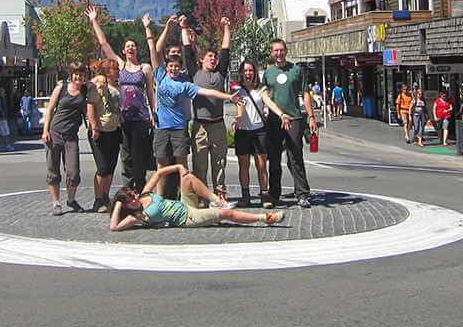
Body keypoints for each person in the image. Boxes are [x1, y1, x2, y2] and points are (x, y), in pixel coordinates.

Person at [153, 51, 241, 202]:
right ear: (166, 67)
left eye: (176, 66)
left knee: (183, 166)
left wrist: (229, 97)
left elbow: (209, 92)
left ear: (180, 68)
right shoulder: (160, 76)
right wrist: (158, 29)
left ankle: (187, 198)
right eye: (171, 66)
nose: (173, 69)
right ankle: (159, 200)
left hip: (180, 128)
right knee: (162, 165)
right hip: (162, 127)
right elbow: (154, 50)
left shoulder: (186, 85)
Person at [86, 5, 156, 192]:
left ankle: (141, 191)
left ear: (136, 49)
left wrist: (153, 113)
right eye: (127, 46)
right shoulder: (120, 65)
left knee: (140, 158)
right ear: (124, 51)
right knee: (126, 159)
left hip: (141, 120)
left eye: (133, 45)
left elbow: (150, 93)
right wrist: (94, 21)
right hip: (123, 120)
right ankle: (128, 192)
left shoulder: (145, 68)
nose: (131, 48)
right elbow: (104, 44)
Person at [110, 163, 284, 230]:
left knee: (188, 177)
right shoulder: (135, 217)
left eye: (132, 195)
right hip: (188, 217)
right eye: (130, 201)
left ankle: (216, 201)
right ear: (126, 207)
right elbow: (114, 227)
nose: (134, 199)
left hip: (184, 204)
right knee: (226, 215)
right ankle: (265, 218)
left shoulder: (144, 195)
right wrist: (118, 204)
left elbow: (159, 173)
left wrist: (179, 167)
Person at [261, 39, 317, 209]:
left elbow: (305, 93)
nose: (278, 54)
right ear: (272, 53)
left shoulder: (296, 70)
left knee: (296, 158)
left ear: (286, 51)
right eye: (275, 51)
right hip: (274, 121)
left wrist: (311, 116)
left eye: (281, 50)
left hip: (294, 119)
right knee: (274, 159)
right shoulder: (268, 73)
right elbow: (265, 96)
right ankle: (274, 193)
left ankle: (302, 194)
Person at [185, 16, 232, 200]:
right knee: (200, 163)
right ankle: (201, 195)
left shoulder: (221, 74)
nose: (213, 59)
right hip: (200, 126)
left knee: (219, 162)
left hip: (218, 124)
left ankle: (220, 194)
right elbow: (187, 52)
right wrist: (183, 27)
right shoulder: (195, 74)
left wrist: (226, 27)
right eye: (209, 56)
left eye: (215, 57)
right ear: (202, 59)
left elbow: (226, 49)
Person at [41, 62, 95, 215]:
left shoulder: (85, 90)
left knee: (73, 171)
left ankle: (71, 200)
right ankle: (56, 202)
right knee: (53, 169)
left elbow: (97, 82)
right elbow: (50, 108)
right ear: (71, 75)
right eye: (76, 74)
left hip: (71, 136)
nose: (79, 77)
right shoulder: (61, 88)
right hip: (55, 133)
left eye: (82, 74)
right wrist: (45, 130)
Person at [88, 59, 123, 212]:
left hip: (114, 131)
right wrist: (94, 126)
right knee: (102, 168)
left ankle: (105, 197)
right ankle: (98, 199)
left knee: (110, 167)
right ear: (108, 71)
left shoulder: (116, 87)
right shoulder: (99, 84)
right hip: (100, 131)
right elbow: (90, 105)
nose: (118, 72)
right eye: (115, 69)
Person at [233, 60, 269, 207]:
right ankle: (245, 195)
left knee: (261, 166)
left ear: (254, 72)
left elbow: (267, 103)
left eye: (250, 70)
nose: (248, 73)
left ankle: (264, 194)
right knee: (244, 165)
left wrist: (273, 112)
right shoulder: (237, 90)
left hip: (259, 131)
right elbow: (239, 106)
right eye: (245, 71)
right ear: (241, 73)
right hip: (242, 132)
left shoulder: (262, 89)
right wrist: (238, 118)